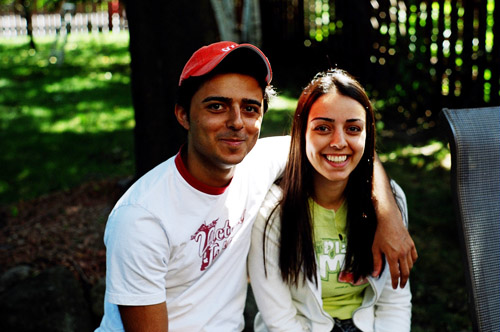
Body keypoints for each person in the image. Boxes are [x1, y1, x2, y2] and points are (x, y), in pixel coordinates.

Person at [96, 42, 416, 332]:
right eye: (216, 106)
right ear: (183, 115)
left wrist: (388, 216)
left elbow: (345, 148)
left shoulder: (256, 163)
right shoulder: (142, 218)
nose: (236, 122)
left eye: (249, 108)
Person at [248, 69, 412, 332]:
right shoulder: (273, 212)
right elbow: (279, 319)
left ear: (367, 135)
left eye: (353, 128)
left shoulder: (389, 205)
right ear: (301, 133)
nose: (339, 142)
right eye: (323, 128)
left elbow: (395, 301)